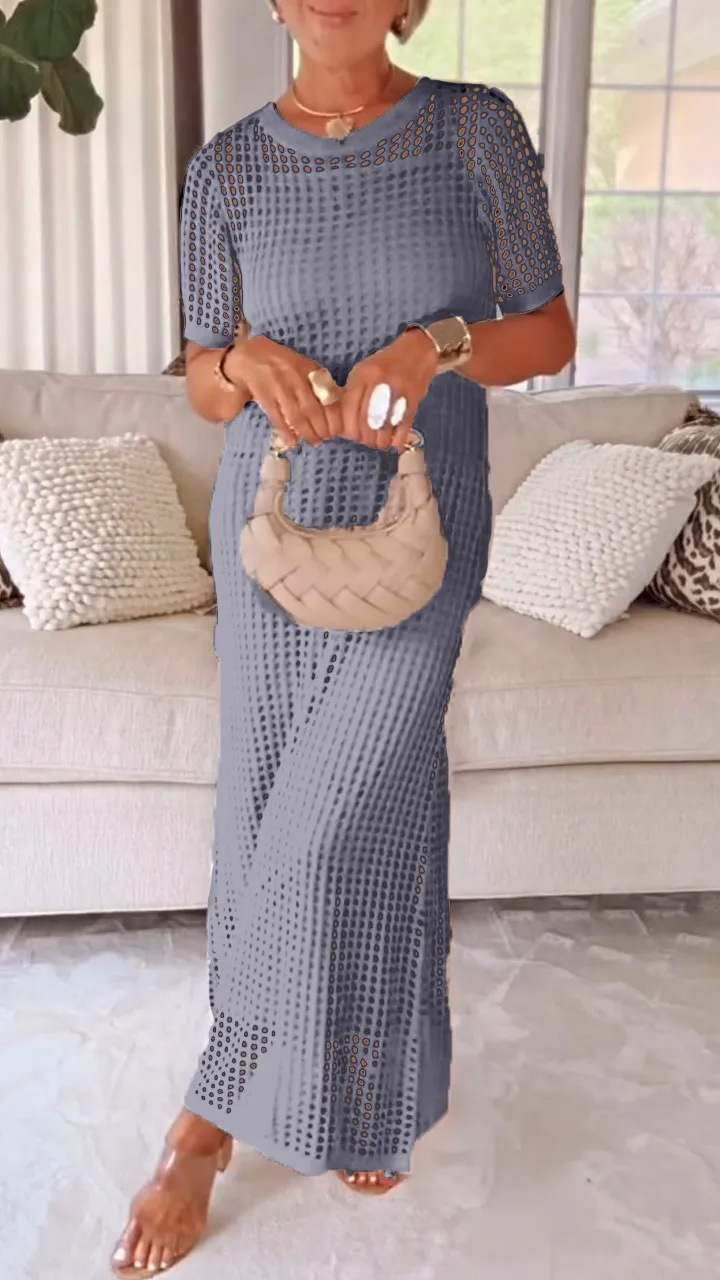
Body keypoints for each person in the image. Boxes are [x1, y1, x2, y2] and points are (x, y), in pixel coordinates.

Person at [110, 0, 576, 1274]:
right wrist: (246, 364)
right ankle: (371, 1088)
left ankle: (203, 1118)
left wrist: (436, 346)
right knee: (270, 806)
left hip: (424, 524)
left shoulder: (475, 132)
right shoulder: (226, 169)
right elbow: (201, 373)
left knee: (333, 811)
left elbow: (549, 331)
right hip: (271, 530)